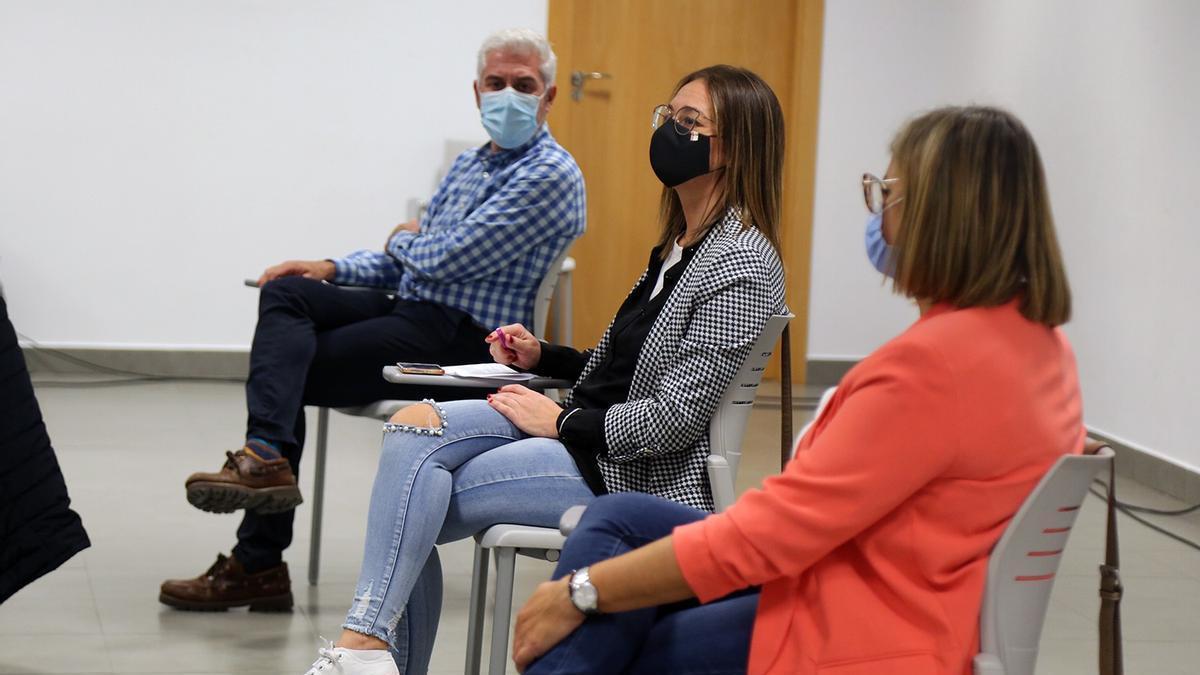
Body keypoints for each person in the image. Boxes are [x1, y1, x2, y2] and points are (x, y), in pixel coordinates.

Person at [511, 105, 1084, 675]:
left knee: (613, 625)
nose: (877, 211)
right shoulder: (1043, 349)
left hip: (855, 627)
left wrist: (582, 591)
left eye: (885, 191)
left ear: (937, 214)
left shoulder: (932, 369)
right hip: (905, 592)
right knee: (619, 520)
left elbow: (772, 536)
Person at [299, 65, 787, 675]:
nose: (669, 132)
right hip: (591, 436)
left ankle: (364, 648)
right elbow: (623, 370)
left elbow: (672, 422)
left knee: (409, 497)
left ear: (735, 147)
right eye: (669, 115)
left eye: (690, 124)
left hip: (632, 473)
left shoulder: (739, 262)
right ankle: (368, 649)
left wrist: (562, 421)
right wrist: (546, 358)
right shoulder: (681, 245)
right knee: (412, 424)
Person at [159, 28, 585, 612]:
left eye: (524, 85)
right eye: (496, 83)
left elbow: (447, 256)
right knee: (288, 292)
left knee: (288, 371)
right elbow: (410, 258)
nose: (508, 94)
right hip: (413, 307)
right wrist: (329, 265)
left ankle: (258, 556)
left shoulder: (551, 175)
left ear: (550, 96)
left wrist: (407, 239)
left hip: (465, 337)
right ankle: (263, 456)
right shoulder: (469, 163)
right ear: (476, 90)